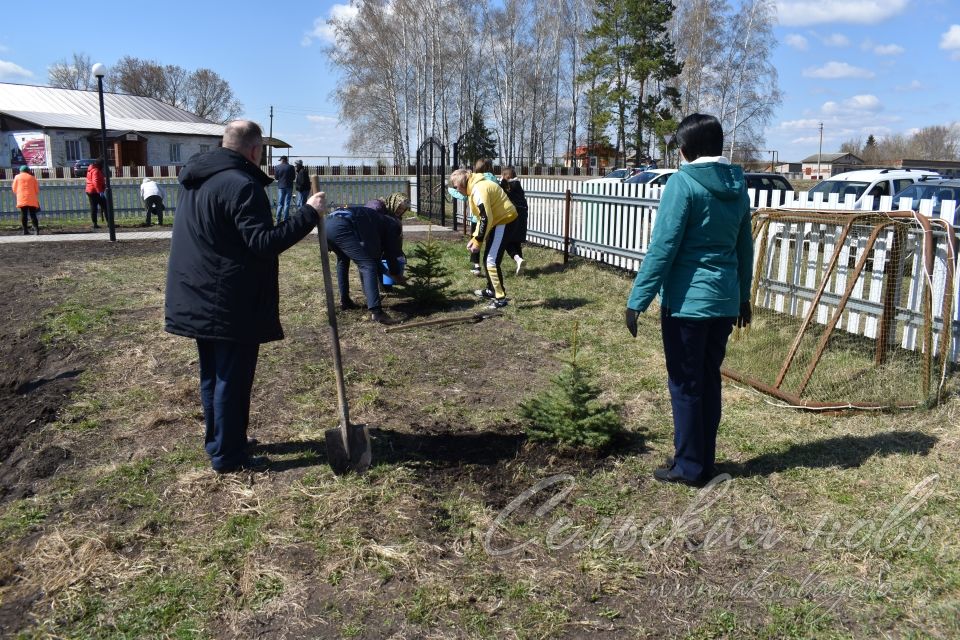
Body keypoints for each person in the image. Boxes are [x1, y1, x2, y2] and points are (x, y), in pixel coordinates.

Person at [165, 120, 326, 474]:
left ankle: (221, 441)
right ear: (256, 151)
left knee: (214, 375)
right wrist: (309, 213)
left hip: (198, 291)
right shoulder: (242, 185)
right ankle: (228, 455)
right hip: (227, 298)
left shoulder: (199, 179)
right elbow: (264, 243)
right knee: (231, 380)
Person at [624, 113, 753, 488]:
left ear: (685, 150)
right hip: (724, 302)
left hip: (687, 305)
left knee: (684, 383)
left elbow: (664, 247)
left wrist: (638, 298)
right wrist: (743, 297)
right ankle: (700, 459)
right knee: (708, 381)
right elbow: (744, 246)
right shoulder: (737, 185)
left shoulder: (682, 184)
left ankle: (689, 467)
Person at [449, 167, 517, 309]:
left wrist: (478, 241)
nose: (455, 189)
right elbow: (482, 217)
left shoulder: (478, 189)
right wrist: (475, 238)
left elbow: (486, 218)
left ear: (462, 183)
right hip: (498, 221)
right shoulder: (474, 187)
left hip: (505, 221)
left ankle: (500, 298)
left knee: (491, 261)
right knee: (488, 257)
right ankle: (491, 290)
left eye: (455, 186)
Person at [325, 205, 406, 323]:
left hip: (327, 224)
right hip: (341, 226)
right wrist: (395, 273)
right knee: (368, 266)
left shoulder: (375, 219)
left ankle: (345, 301)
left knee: (343, 259)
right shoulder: (391, 226)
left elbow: (376, 258)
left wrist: (389, 273)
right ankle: (377, 312)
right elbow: (390, 253)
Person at [500, 166, 528, 274]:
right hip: (522, 218)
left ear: (506, 176)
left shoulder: (508, 186)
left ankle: (518, 259)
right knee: (516, 243)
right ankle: (520, 265)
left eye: (502, 176)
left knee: (506, 241)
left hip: (513, 218)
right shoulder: (518, 186)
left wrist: (502, 181)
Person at [11, 165, 40, 235]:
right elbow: (37, 190)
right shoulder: (32, 178)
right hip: (31, 199)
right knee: (33, 214)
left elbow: (14, 189)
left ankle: (25, 230)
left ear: (20, 171)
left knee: (23, 214)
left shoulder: (17, 177)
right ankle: (36, 230)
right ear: (28, 171)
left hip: (22, 198)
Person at [85, 158, 106, 229]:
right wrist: (100, 191)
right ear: (100, 164)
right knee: (105, 207)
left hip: (91, 191)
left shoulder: (92, 169)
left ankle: (95, 223)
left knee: (94, 207)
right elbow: (95, 182)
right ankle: (109, 223)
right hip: (95, 192)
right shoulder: (96, 171)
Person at [274, 155, 295, 224]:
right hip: (289, 186)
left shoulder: (277, 167)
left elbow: (276, 178)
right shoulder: (291, 167)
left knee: (280, 204)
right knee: (287, 203)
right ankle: (285, 219)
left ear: (282, 160)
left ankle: (278, 219)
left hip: (281, 186)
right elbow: (293, 177)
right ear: (286, 160)